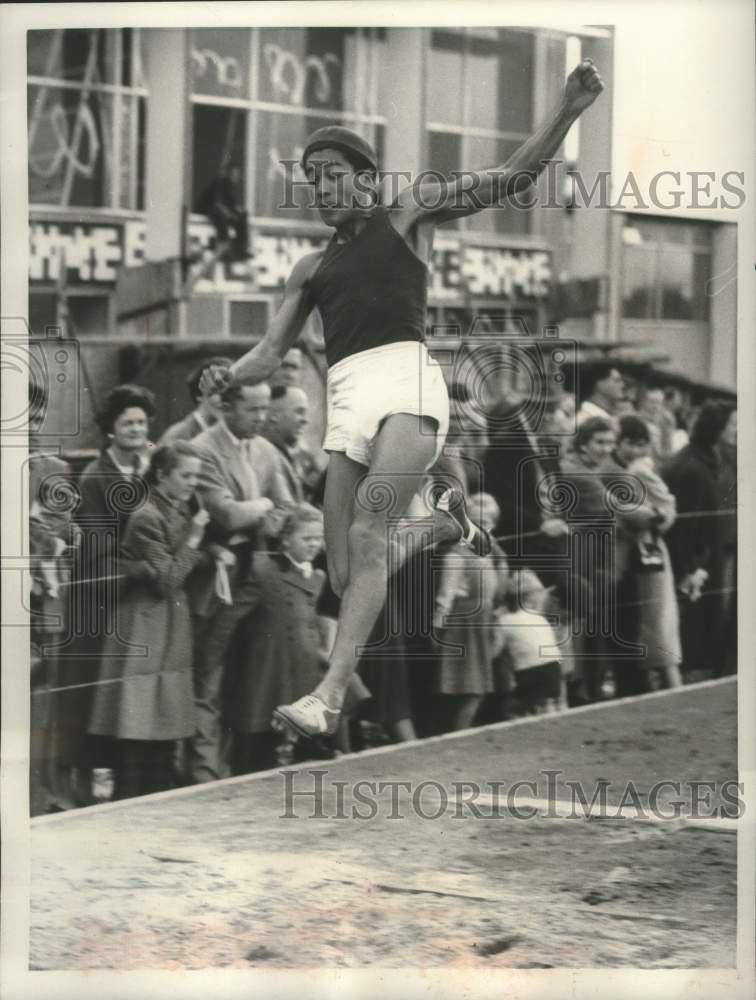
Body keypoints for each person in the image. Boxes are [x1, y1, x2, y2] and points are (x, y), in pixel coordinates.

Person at [201, 58, 605, 739]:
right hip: (349, 397)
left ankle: (326, 696)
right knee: (346, 561)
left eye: (334, 175)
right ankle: (445, 525)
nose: (324, 189)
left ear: (365, 177)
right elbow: (269, 354)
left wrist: (567, 110)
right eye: (313, 180)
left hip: (408, 384)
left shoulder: (408, 210)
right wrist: (226, 376)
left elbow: (508, 181)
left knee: (366, 533)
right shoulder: (310, 268)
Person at [88, 443, 210, 799]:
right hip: (143, 623)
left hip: (166, 622)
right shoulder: (147, 516)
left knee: (160, 715)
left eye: (196, 476)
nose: (193, 483)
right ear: (162, 475)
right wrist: (197, 539)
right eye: (185, 475)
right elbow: (168, 579)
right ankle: (131, 800)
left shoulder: (177, 508)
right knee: (140, 715)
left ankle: (156, 795)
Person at [187, 382, 294, 782]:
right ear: (225, 408)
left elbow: (287, 506)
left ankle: (241, 764)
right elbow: (225, 515)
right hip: (220, 577)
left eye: (266, 409)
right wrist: (264, 507)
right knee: (209, 674)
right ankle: (203, 771)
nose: (262, 417)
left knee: (250, 669)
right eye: (253, 409)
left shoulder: (265, 449)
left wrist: (264, 513)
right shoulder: (203, 448)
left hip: (259, 570)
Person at [60, 384, 156, 804]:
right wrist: (140, 567)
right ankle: (81, 782)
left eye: (141, 421)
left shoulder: (147, 471)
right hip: (99, 599)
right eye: (127, 422)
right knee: (88, 688)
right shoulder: (96, 478)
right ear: (111, 431)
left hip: (132, 595)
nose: (136, 429)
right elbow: (98, 548)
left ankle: (121, 779)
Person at [604, 415, 682, 694]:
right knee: (653, 627)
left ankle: (672, 690)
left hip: (646, 553)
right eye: (630, 443)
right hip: (640, 553)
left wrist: (650, 519)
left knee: (657, 627)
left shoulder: (636, 470)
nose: (636, 450)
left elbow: (667, 508)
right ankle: (667, 689)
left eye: (641, 444)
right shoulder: (627, 469)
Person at [663, 401, 734, 678]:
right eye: (733, 425)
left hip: (708, 561)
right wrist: (690, 570)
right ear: (717, 430)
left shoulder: (706, 460)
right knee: (695, 636)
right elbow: (686, 530)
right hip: (695, 572)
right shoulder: (692, 468)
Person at [433, 494, 509, 731]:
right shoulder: (456, 556)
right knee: (469, 688)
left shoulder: (489, 555)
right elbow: (444, 598)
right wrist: (437, 629)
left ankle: (460, 731)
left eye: (486, 524)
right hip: (463, 624)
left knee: (478, 687)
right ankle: (457, 733)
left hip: (483, 621)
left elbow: (499, 591)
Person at [491, 570, 563, 716]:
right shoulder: (538, 617)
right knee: (539, 701)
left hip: (531, 675)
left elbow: (494, 652)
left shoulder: (503, 621)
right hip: (554, 670)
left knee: (508, 707)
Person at [159, 356, 233, 445]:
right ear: (199, 395)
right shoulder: (179, 436)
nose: (225, 400)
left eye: (230, 392)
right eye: (217, 392)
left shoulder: (229, 433)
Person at [263, 385, 312, 501]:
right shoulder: (265, 455)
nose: (306, 420)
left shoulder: (288, 454)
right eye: (299, 412)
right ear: (274, 416)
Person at [197, 163, 250, 261]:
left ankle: (241, 248)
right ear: (229, 174)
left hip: (223, 212)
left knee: (243, 216)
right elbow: (217, 203)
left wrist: (239, 212)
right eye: (234, 175)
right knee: (220, 214)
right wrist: (230, 214)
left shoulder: (231, 187)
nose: (236, 177)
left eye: (237, 175)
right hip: (211, 210)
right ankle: (224, 241)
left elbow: (233, 204)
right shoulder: (220, 183)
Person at [576, 362, 625, 428]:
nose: (622, 385)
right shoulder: (584, 418)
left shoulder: (611, 416)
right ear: (600, 384)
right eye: (616, 380)